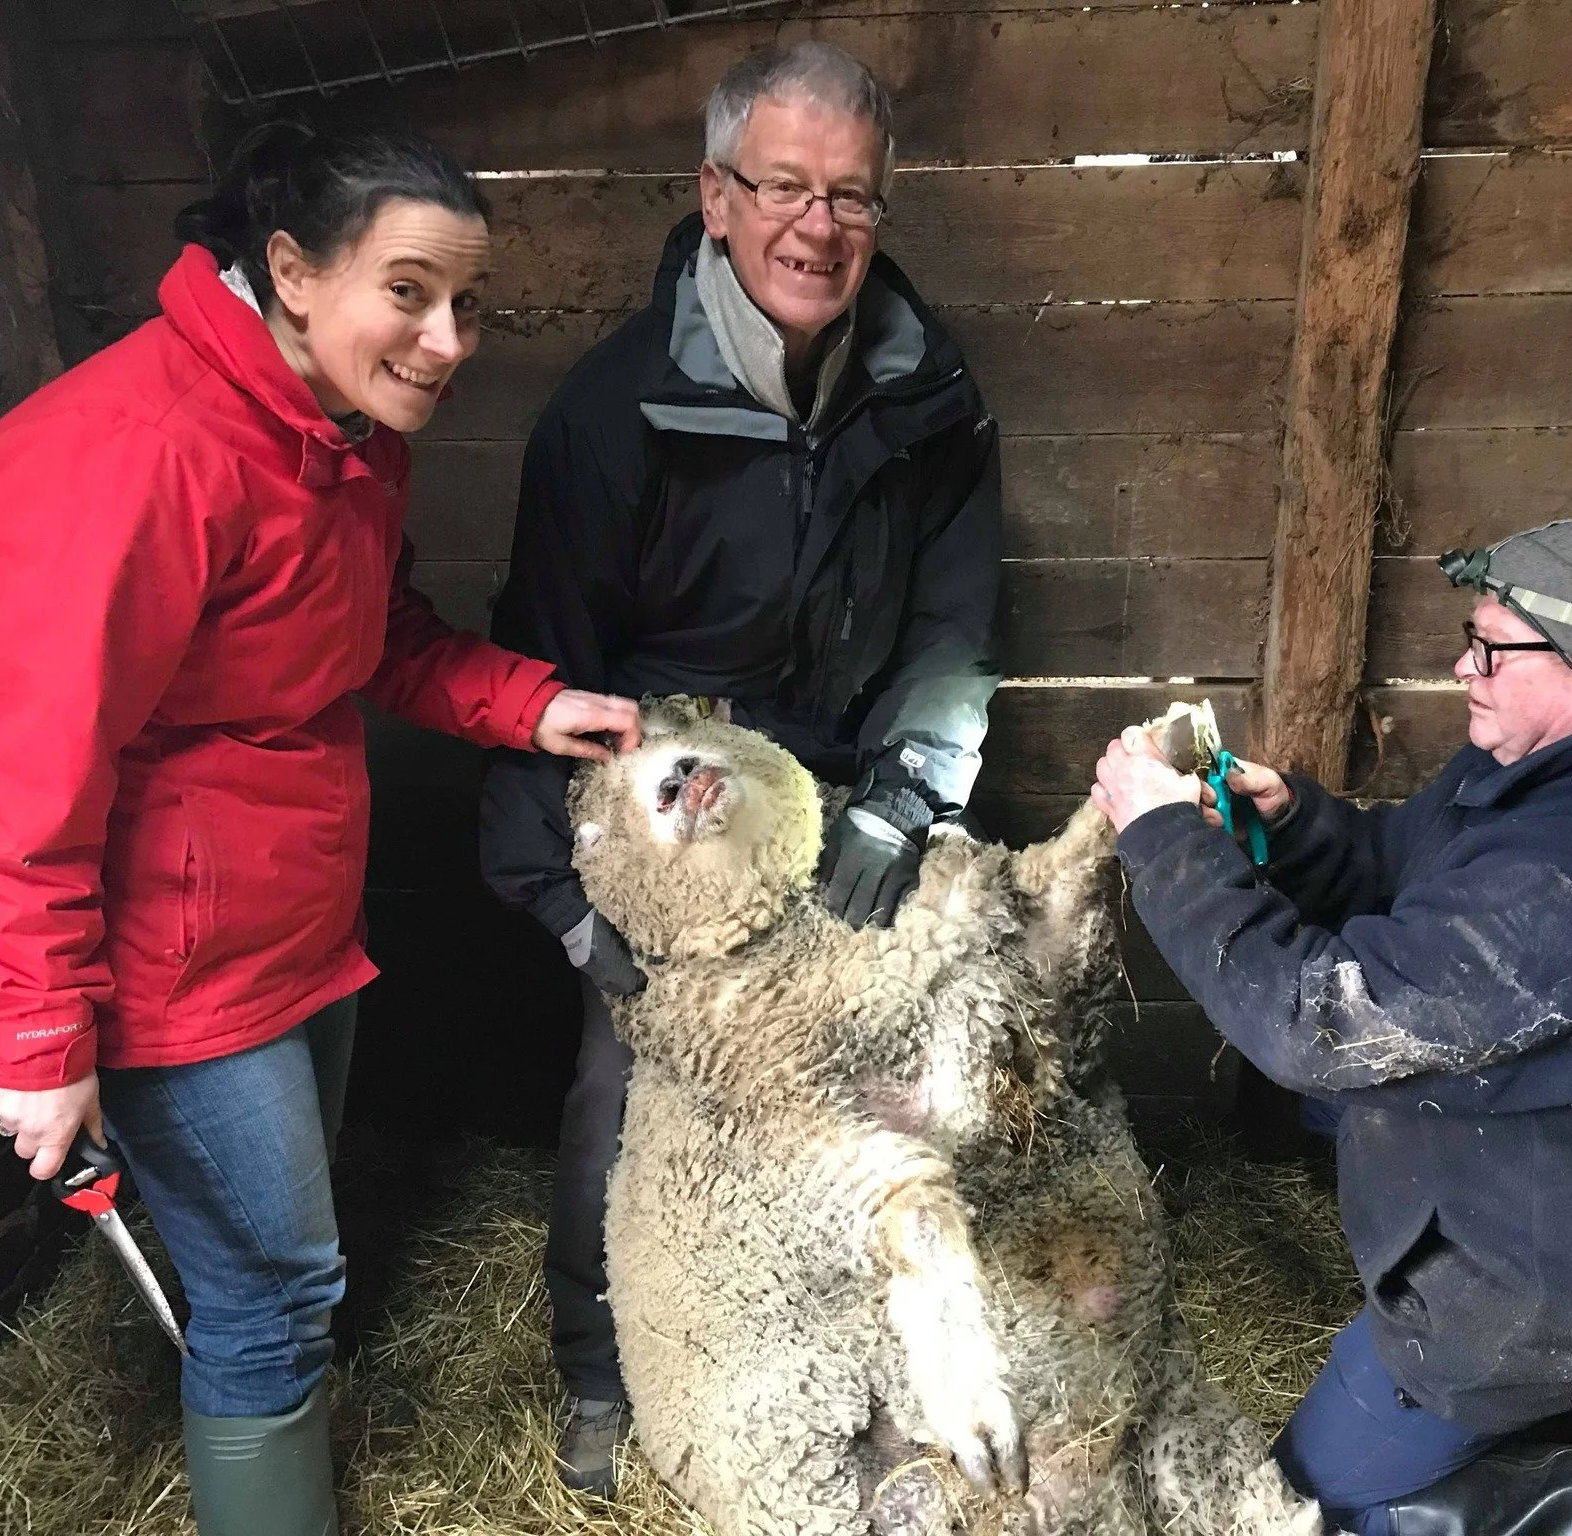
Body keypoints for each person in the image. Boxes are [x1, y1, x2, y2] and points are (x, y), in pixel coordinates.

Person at [0, 127, 640, 1536]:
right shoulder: (130, 453)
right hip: (174, 962)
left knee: (277, 1273)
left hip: (295, 923)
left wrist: (531, 703)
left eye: (469, 303)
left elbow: (371, 640)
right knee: (271, 1293)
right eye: (410, 292)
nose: (447, 340)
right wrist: (36, 1032)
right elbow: (22, 770)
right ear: (293, 271)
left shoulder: (336, 437)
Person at [479, 41, 1002, 1494]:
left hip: (847, 791)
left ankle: (872, 1370)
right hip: (676, 809)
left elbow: (953, 627)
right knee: (628, 1082)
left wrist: (904, 804)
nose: (816, 227)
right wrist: (567, 903)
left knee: (900, 1065)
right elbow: (541, 667)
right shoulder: (611, 412)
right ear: (715, 197)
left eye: (850, 196)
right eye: (782, 187)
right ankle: (604, 1369)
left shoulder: (928, 395)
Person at [1090, 511, 1572, 1535]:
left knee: (1310, 1504)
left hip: (1556, 1290)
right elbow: (1401, 872)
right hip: (1541, 1170)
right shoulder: (1553, 764)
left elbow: (1313, 1025)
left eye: (1491, 650)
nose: (1464, 668)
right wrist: (1292, 824)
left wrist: (1160, 841)